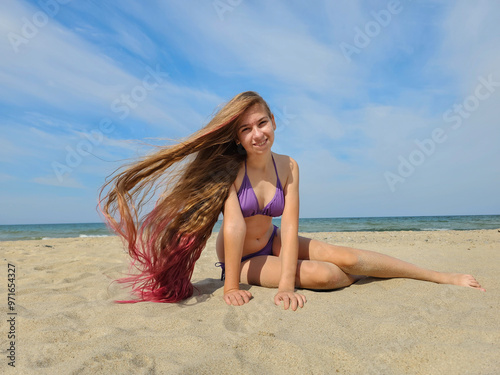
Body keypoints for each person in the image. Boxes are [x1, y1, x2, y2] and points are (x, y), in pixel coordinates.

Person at [100, 91, 484, 310]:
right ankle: (368, 274)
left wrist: (286, 281)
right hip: (241, 258)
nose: (257, 134)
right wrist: (232, 283)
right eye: (246, 129)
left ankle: (438, 275)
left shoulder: (290, 166)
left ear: (274, 122)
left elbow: (293, 224)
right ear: (237, 138)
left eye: (262, 123)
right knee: (327, 274)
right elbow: (233, 227)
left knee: (346, 256)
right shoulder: (230, 171)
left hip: (275, 240)